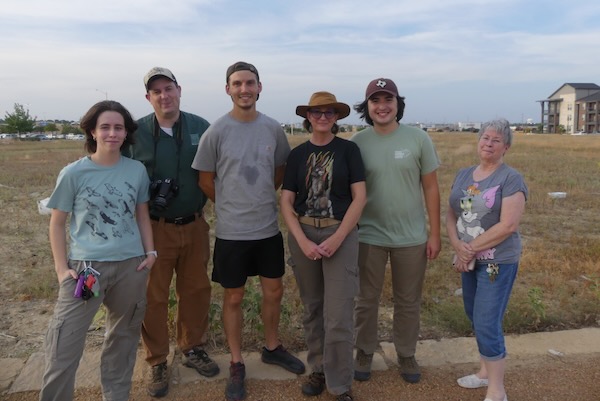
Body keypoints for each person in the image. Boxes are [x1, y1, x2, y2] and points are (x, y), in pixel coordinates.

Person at [192, 61, 305, 401]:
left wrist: (258, 197)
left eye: (250, 83)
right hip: (231, 233)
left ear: (259, 87)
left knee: (274, 291)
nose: (244, 89)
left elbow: (281, 170)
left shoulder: (272, 129)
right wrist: (231, 202)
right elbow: (205, 180)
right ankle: (237, 362)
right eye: (237, 83)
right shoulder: (217, 132)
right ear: (228, 89)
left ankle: (272, 347)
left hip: (267, 229)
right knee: (234, 297)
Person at [40, 100, 155, 401]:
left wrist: (150, 253)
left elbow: (142, 214)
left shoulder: (137, 170)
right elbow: (57, 223)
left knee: (123, 339)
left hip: (131, 267)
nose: (112, 133)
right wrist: (61, 268)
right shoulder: (74, 173)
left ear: (126, 133)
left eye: (119, 127)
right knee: (65, 342)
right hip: (86, 271)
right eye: (105, 127)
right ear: (92, 131)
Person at [123, 67, 218, 398]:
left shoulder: (200, 127)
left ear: (180, 90)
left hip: (194, 223)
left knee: (196, 289)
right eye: (156, 91)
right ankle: (158, 360)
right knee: (153, 297)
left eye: (169, 88)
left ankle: (192, 347)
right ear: (148, 97)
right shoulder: (133, 132)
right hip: (152, 229)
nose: (164, 96)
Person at [351, 78, 441, 384]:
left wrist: (435, 233)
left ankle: (406, 353)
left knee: (408, 300)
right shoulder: (357, 142)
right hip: (369, 236)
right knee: (366, 299)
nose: (382, 106)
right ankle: (364, 351)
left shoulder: (418, 139)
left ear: (397, 104)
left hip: (411, 238)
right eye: (375, 101)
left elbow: (431, 188)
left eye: (388, 100)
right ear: (368, 108)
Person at [280, 92, 366, 401]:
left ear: (337, 117)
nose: (323, 116)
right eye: (317, 112)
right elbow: (287, 201)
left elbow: (360, 197)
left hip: (339, 235)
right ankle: (317, 368)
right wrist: (301, 240)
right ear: (308, 116)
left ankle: (340, 382)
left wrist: (339, 237)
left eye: (329, 112)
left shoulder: (348, 151)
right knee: (313, 307)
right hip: (304, 234)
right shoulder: (298, 154)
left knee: (339, 313)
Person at [446, 119, 527, 401]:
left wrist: (468, 249)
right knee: (473, 313)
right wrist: (458, 246)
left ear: (506, 146)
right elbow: (451, 213)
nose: (488, 143)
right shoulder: (464, 174)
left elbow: (508, 225)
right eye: (484, 138)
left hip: (496, 263)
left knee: (487, 319)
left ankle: (497, 389)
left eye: (495, 140)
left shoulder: (510, 178)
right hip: (468, 260)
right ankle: (484, 373)